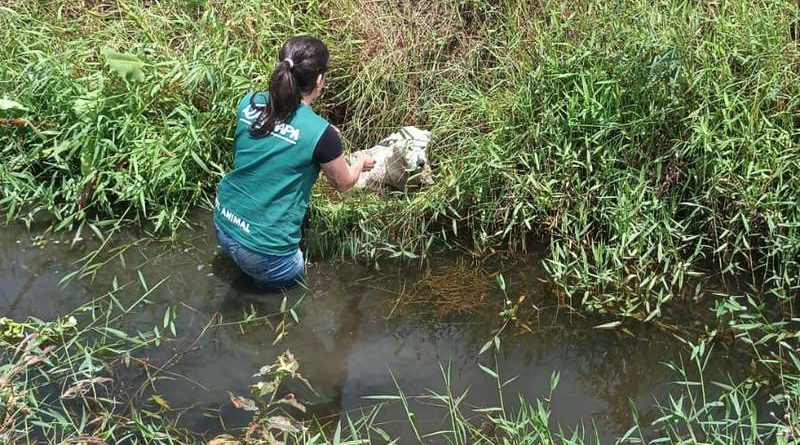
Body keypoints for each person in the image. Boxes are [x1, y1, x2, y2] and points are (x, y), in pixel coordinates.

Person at [214, 36, 375, 291]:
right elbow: (343, 184)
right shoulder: (322, 135)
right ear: (320, 79)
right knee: (286, 303)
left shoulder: (249, 101)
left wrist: (322, 134)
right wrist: (360, 162)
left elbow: (275, 134)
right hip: (267, 252)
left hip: (224, 223)